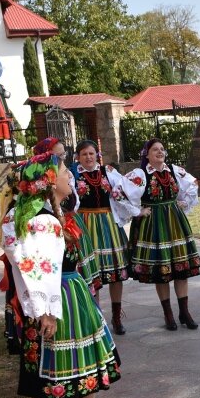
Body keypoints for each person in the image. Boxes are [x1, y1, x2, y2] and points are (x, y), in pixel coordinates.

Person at [0, 152, 120, 398]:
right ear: (50, 183)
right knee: (55, 383)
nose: (71, 175)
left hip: (68, 294)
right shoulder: (44, 219)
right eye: (65, 171)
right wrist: (45, 312)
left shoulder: (49, 212)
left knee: (81, 368)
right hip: (57, 302)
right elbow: (35, 269)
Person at [112, 138, 200, 331]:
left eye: (162, 149)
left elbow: (193, 183)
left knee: (181, 268)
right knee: (162, 271)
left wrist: (184, 202)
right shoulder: (140, 174)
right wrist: (137, 211)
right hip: (154, 226)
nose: (160, 152)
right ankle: (168, 313)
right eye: (155, 150)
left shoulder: (174, 170)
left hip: (175, 222)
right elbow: (117, 192)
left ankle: (184, 312)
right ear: (147, 154)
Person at [33, 138, 102, 297]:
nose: (62, 160)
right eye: (58, 157)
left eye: (63, 155)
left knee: (87, 279)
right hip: (60, 232)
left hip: (73, 225)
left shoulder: (66, 178)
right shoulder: (44, 212)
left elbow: (74, 203)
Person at [74, 140, 130, 334]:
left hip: (108, 223)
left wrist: (131, 209)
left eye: (91, 153)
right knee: (92, 273)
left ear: (97, 155)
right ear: (78, 157)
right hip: (86, 224)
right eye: (84, 154)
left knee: (116, 274)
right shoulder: (74, 175)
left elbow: (126, 188)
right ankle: (96, 317)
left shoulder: (108, 172)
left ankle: (116, 317)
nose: (89, 157)